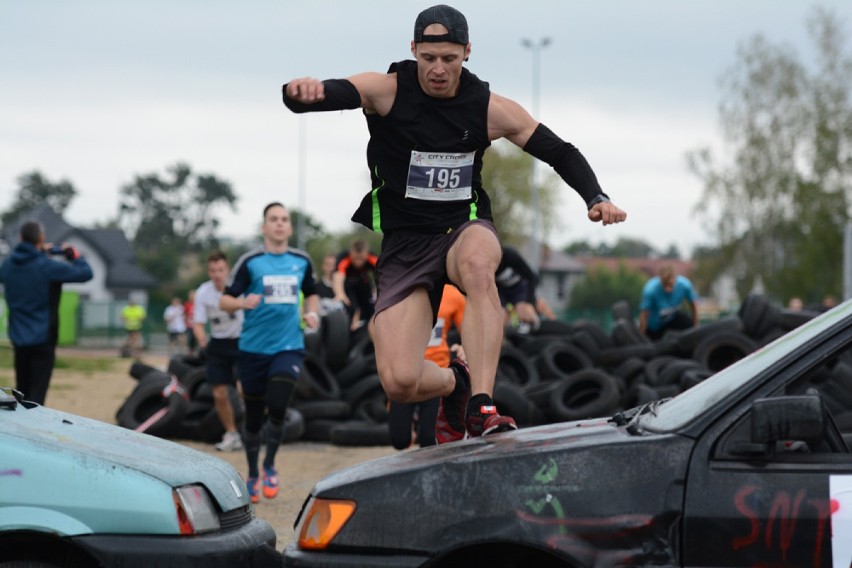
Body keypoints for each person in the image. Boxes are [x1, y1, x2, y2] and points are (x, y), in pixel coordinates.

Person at [282, 4, 626, 443]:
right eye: (428, 59)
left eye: (449, 58)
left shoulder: (486, 107)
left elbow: (559, 150)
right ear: (413, 51)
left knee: (481, 266)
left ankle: (482, 404)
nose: (438, 70)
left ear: (467, 52)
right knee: (400, 382)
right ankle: (455, 384)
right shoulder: (387, 90)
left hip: (462, 228)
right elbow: (335, 92)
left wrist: (595, 196)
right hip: (405, 243)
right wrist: (302, 93)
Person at [220, 202, 320, 503]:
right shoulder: (250, 262)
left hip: (288, 347)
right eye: (273, 219)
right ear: (264, 227)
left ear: (289, 228)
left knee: (277, 407)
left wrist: (312, 313)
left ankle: (270, 466)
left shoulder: (301, 260)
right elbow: (225, 300)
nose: (279, 224)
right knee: (252, 418)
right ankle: (252, 473)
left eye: (284, 220)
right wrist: (241, 303)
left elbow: (312, 292)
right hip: (252, 351)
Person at [0, 220, 93, 405]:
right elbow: (86, 273)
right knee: (36, 398)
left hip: (18, 338)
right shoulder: (48, 266)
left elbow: (23, 267)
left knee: (21, 392)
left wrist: (39, 251)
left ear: (20, 238)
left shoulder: (8, 265)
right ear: (41, 238)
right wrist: (75, 255)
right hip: (43, 338)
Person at [388, 283, 466, 449]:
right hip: (406, 370)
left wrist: (463, 346)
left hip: (437, 370)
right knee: (400, 440)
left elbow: (468, 328)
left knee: (430, 440)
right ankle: (415, 421)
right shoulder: (402, 288)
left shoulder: (453, 295)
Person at [193, 250, 245, 452]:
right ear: (209, 272)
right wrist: (201, 338)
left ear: (228, 270)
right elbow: (198, 322)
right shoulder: (203, 292)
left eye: (221, 270)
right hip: (218, 343)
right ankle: (232, 434)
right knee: (219, 394)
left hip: (242, 341)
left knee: (244, 389)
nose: (217, 274)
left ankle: (252, 428)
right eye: (213, 270)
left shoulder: (239, 288)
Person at [638, 264, 698, 340]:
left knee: (687, 322)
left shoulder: (685, 285)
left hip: (673, 318)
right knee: (652, 344)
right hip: (655, 325)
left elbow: (693, 306)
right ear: (660, 280)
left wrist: (696, 327)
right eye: (664, 284)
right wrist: (641, 337)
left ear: (675, 280)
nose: (667, 289)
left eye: (670, 284)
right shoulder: (650, 290)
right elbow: (644, 315)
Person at [332, 239, 379, 330]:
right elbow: (338, 276)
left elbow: (384, 275)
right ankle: (352, 325)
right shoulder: (344, 257)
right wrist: (340, 293)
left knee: (370, 308)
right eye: (355, 258)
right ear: (351, 253)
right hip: (348, 285)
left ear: (366, 254)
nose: (358, 262)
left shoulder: (373, 257)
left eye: (361, 258)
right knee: (353, 308)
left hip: (364, 284)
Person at [496, 246, 541, 329]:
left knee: (522, 310)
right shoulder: (487, 263)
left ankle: (533, 325)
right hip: (501, 290)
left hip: (519, 288)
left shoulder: (510, 255)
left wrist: (530, 302)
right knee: (500, 316)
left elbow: (531, 277)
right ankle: (504, 337)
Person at [184, 289, 198, 356]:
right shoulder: (187, 304)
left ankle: (195, 350)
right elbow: (185, 314)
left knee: (195, 338)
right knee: (189, 337)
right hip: (189, 325)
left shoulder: (198, 304)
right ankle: (189, 350)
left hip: (196, 325)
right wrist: (185, 322)